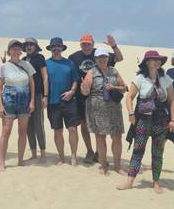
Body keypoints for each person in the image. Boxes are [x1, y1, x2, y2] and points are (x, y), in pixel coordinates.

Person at [118, 50, 174, 194]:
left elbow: (172, 100)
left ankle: (156, 182)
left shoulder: (165, 78)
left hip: (161, 120)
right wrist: (131, 113)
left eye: (158, 60)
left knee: (157, 152)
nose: (156, 62)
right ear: (147, 62)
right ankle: (130, 180)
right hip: (143, 120)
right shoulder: (140, 78)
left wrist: (173, 119)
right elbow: (129, 97)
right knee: (138, 150)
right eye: (153, 59)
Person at [69, 34, 123, 164]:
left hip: (105, 96)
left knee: (102, 129)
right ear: (80, 44)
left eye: (88, 43)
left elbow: (119, 58)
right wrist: (75, 89)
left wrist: (114, 45)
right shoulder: (73, 57)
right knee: (84, 124)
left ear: (93, 44)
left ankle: (100, 153)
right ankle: (89, 151)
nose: (86, 46)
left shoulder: (101, 54)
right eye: (84, 44)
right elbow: (71, 75)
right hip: (83, 95)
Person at [80, 47, 126, 175]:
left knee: (117, 137)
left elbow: (124, 87)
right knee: (100, 137)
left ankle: (117, 166)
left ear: (107, 58)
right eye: (99, 57)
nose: (102, 59)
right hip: (96, 108)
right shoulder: (91, 72)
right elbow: (85, 92)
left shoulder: (113, 71)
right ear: (96, 59)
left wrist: (113, 87)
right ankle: (103, 164)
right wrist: (84, 88)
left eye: (104, 57)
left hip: (114, 108)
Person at [0, 40, 35, 172]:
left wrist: (32, 101)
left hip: (24, 101)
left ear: (21, 51)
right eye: (13, 48)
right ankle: (2, 162)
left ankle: (20, 159)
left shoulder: (27, 65)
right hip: (9, 101)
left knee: (22, 132)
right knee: (6, 132)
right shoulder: (4, 67)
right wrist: (0, 105)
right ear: (9, 51)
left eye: (18, 48)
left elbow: (32, 84)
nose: (16, 51)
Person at [46, 37, 80, 166]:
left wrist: (72, 91)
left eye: (58, 47)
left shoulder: (69, 63)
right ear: (50, 49)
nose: (56, 49)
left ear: (62, 48)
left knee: (72, 129)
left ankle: (73, 155)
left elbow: (75, 79)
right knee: (58, 130)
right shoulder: (46, 63)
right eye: (54, 47)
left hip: (69, 101)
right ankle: (61, 157)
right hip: (53, 101)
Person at [22, 37, 48, 161]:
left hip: (37, 95)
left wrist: (45, 96)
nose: (28, 46)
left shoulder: (40, 58)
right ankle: (33, 153)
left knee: (38, 124)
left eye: (31, 44)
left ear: (36, 46)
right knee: (28, 126)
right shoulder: (22, 60)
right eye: (26, 44)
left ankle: (43, 153)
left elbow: (45, 76)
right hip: (24, 96)